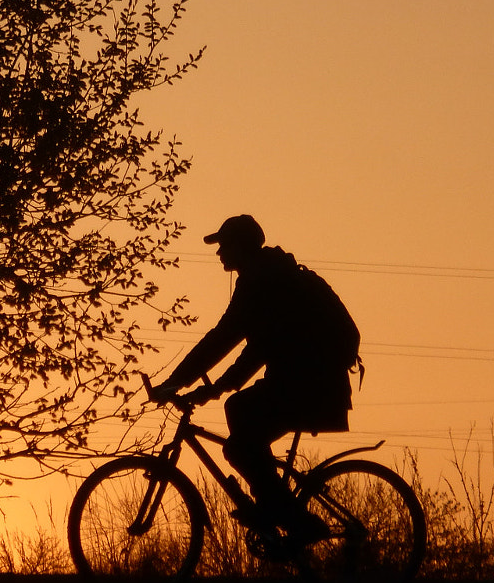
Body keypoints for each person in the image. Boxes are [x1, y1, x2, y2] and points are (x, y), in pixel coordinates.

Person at [150, 215, 358, 536]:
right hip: (307, 375)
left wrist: (183, 383)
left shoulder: (262, 280)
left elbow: (231, 338)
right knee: (241, 419)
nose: (219, 253)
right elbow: (254, 343)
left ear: (240, 246)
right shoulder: (266, 274)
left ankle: (292, 519)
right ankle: (278, 509)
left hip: (311, 378)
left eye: (224, 245)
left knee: (239, 438)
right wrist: (211, 384)